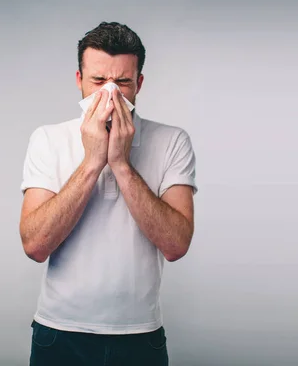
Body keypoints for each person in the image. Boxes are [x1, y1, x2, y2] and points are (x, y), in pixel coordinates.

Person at [19, 21, 198, 366]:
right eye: (98, 82)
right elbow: (35, 245)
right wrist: (92, 161)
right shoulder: (47, 139)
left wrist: (120, 163)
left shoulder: (173, 141)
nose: (110, 94)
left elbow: (176, 246)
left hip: (139, 336)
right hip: (59, 332)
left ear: (139, 84)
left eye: (123, 82)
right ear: (79, 81)